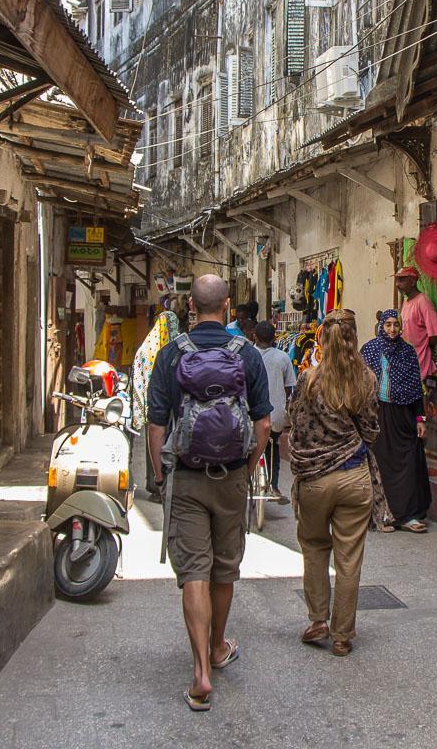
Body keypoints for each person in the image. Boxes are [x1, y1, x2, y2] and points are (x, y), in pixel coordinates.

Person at [146, 275, 272, 712]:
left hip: (185, 475)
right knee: (224, 567)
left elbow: (156, 423)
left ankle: (200, 672)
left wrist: (162, 474)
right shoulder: (248, 355)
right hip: (233, 475)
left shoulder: (170, 355)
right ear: (228, 305)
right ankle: (218, 646)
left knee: (194, 570)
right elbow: (264, 425)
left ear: (189, 307)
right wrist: (249, 467)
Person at [286, 313, 379, 657]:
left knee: (313, 547)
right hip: (355, 477)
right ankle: (342, 635)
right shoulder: (366, 380)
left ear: (322, 339)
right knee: (349, 559)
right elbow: (371, 430)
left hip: (314, 479)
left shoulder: (308, 380)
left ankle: (317, 620)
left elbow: (294, 422)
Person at [361, 310, 432, 533]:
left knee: (409, 460)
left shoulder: (408, 351)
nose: (392, 329)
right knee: (382, 463)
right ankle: (384, 515)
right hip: (378, 414)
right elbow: (360, 385)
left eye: (396, 325)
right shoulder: (370, 349)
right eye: (388, 325)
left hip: (404, 416)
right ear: (381, 326)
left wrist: (420, 419)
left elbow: (416, 388)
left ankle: (409, 515)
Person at [131, 309, 180, 501]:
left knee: (155, 441)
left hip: (153, 406)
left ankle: (155, 483)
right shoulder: (174, 350)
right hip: (170, 407)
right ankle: (164, 482)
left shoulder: (146, 349)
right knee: (167, 442)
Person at [252, 320, 296, 502]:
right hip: (275, 414)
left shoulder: (248, 354)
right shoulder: (283, 357)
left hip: (252, 413)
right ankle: (274, 486)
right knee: (273, 448)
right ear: (274, 338)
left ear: (254, 336)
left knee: (249, 447)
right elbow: (289, 387)